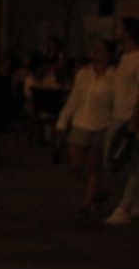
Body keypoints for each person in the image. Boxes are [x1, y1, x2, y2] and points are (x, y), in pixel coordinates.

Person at [56, 39, 120, 218]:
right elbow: (74, 98)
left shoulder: (113, 77)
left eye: (101, 50)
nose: (96, 54)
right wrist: (63, 121)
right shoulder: (84, 74)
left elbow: (116, 101)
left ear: (109, 54)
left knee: (93, 166)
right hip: (80, 121)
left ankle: (88, 202)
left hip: (101, 124)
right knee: (75, 164)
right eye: (94, 50)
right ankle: (98, 191)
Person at [106, 18, 139, 226]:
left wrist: (135, 119)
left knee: (131, 164)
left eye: (119, 28)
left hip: (130, 117)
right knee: (115, 163)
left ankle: (125, 207)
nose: (116, 32)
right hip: (118, 116)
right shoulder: (122, 58)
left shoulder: (137, 59)